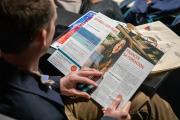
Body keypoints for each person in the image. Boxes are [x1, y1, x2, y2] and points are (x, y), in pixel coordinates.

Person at [0, 0, 179, 120]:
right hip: (56, 110)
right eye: (54, 22)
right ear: (43, 36)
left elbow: (24, 80)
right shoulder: (42, 112)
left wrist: (56, 83)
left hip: (44, 95)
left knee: (142, 98)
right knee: (147, 101)